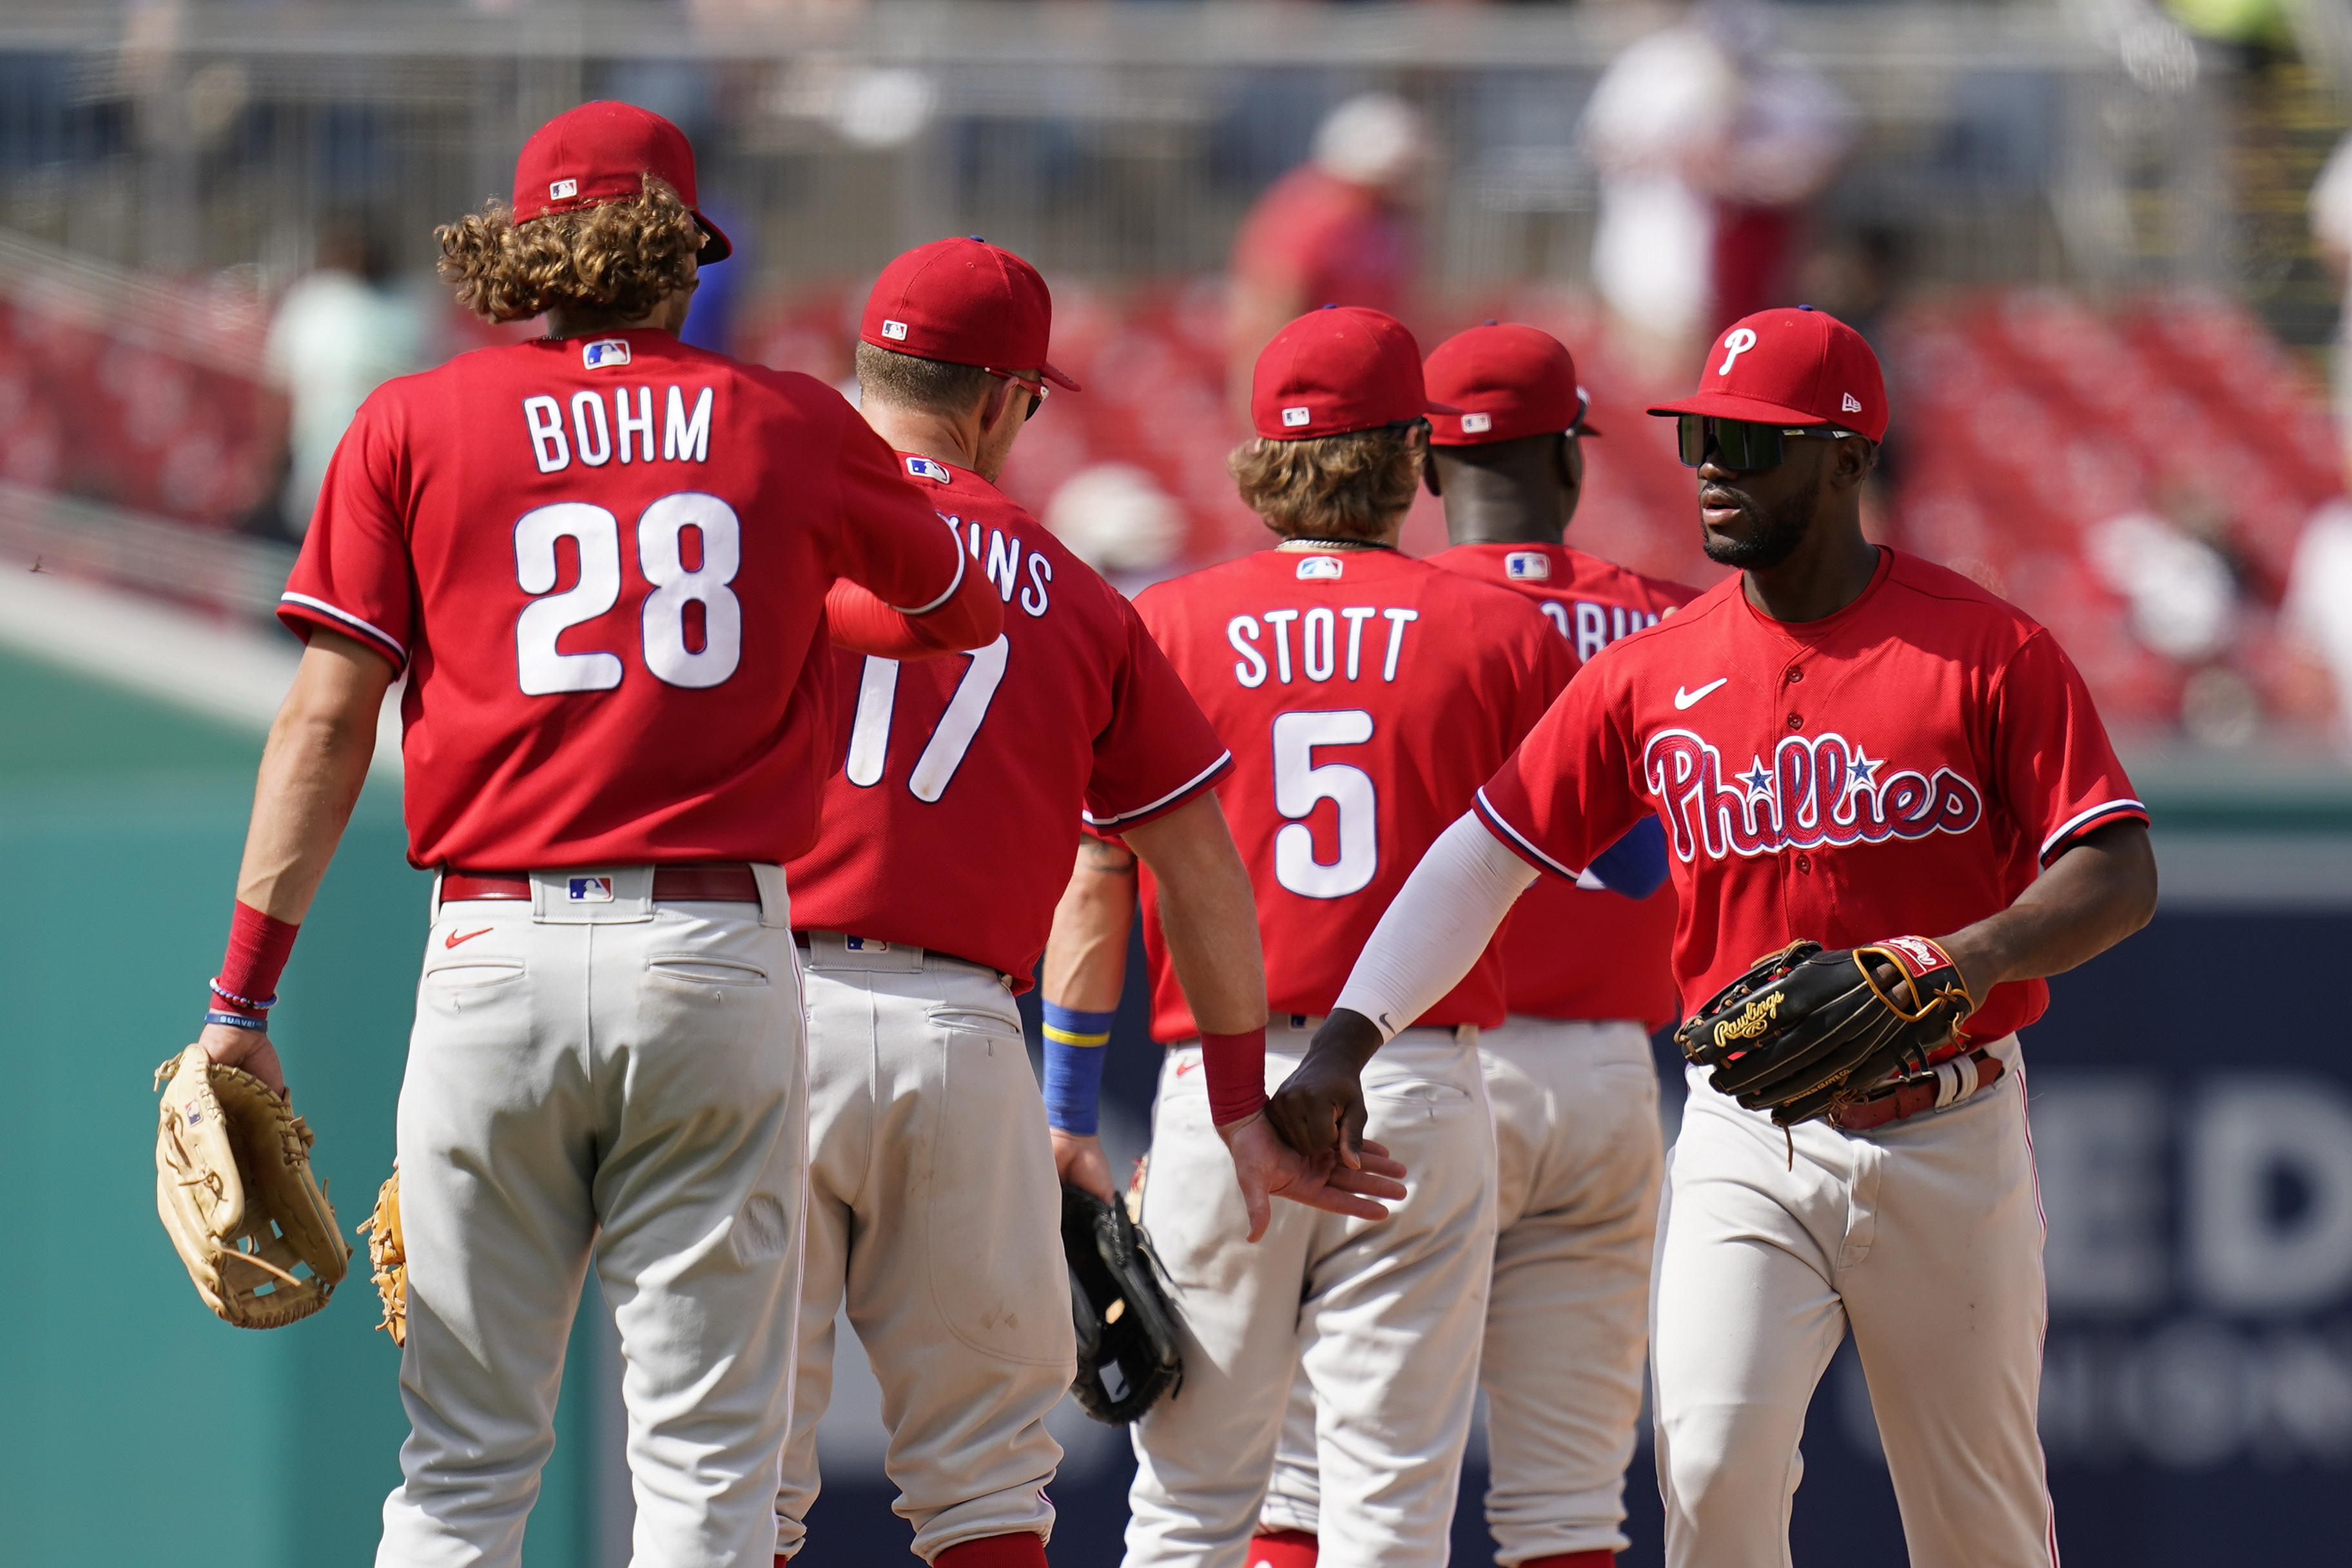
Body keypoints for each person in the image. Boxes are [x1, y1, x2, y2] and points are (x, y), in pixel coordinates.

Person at [191, 101, 1002, 1568]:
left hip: (493, 946)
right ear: (682, 255)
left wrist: (241, 996)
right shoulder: (790, 420)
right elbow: (958, 603)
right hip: (710, 951)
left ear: (522, 254)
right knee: (701, 1468)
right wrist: (780, 582)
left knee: (459, 1469)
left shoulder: (412, 418)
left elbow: (325, 719)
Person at [1296, 305, 2159, 1568]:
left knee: (1978, 1527)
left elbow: (2117, 869)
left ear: (1849, 458)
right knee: (1708, 1472)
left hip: (1949, 1122)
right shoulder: (1654, 670)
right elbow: (1482, 855)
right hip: (1749, 1129)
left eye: (1753, 445)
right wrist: (1346, 1039)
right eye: (1703, 434)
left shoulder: (1985, 648)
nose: (1711, 466)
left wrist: (1955, 959)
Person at [769, 237, 1403, 1568]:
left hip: (754, 1001)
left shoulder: (754, 530)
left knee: (727, 1469)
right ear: (1003, 398)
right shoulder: (1080, 594)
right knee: (987, 1483)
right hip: (958, 1034)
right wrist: (1241, 1102)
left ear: (865, 371)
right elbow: (1198, 867)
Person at [1043, 305, 1574, 1568]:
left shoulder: (1160, 623)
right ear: (1410, 458)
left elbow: (1094, 888)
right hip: (1414, 1078)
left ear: (1258, 454)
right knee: (1387, 1511)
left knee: (1186, 1507)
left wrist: (1067, 1108)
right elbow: (1612, 862)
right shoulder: (1502, 630)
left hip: (1215, 1088)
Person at [1248, 322, 1696, 1568]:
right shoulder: (1668, 627)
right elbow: (1650, 863)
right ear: (1570, 460)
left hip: (1405, 1065)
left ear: (1430, 467)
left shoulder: (1399, 619)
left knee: (1310, 1484)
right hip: (1603, 1074)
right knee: (1564, 1507)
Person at [1227, 94, 1430, 412]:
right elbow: (1273, 305)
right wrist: (1263, 392)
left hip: (1362, 372)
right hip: (1314, 381)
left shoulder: (1390, 220)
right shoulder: (1311, 212)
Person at [264, 209, 428, 536]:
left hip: (386, 473)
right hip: (322, 465)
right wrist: (273, 461)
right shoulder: (314, 302)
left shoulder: (409, 309)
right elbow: (278, 393)